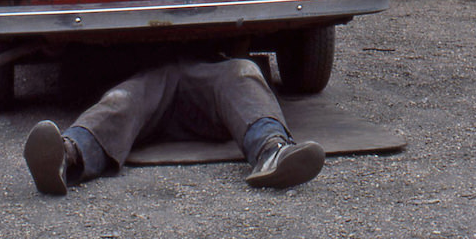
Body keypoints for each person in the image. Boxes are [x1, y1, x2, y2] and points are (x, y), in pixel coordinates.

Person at [22, 55, 325, 194]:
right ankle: (65, 156)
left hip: (211, 66)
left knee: (244, 74)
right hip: (144, 72)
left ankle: (273, 153)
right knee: (121, 102)